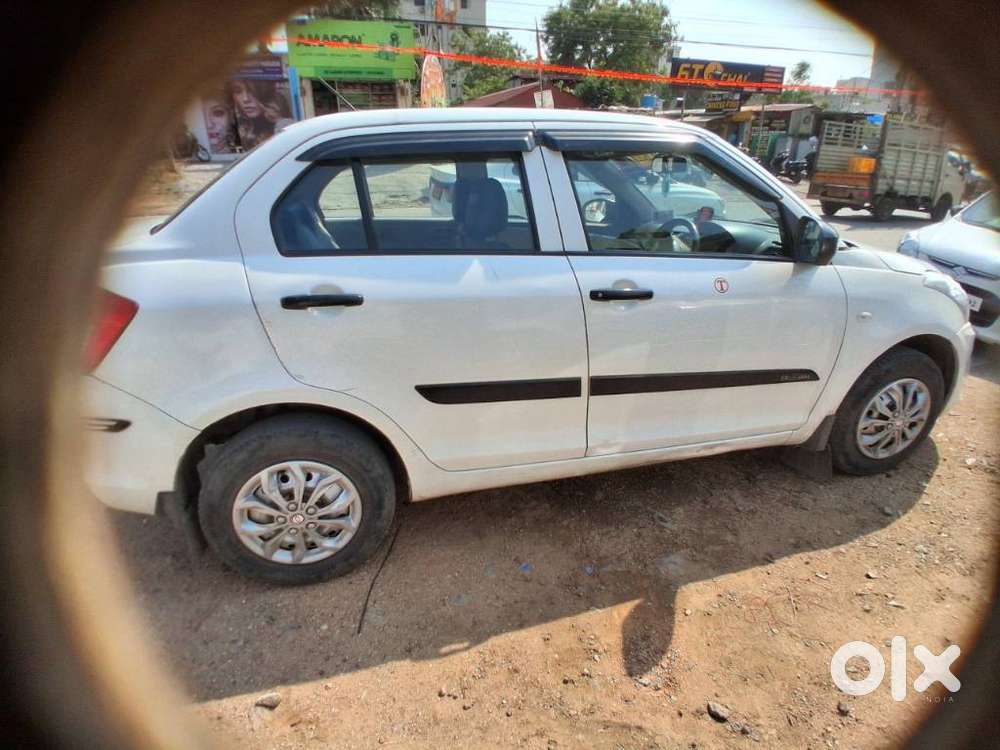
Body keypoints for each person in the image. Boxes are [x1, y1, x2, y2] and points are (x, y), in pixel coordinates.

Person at [227, 79, 292, 150]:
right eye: (238, 91)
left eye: (251, 91)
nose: (246, 99)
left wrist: (279, 120)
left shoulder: (283, 123)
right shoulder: (235, 127)